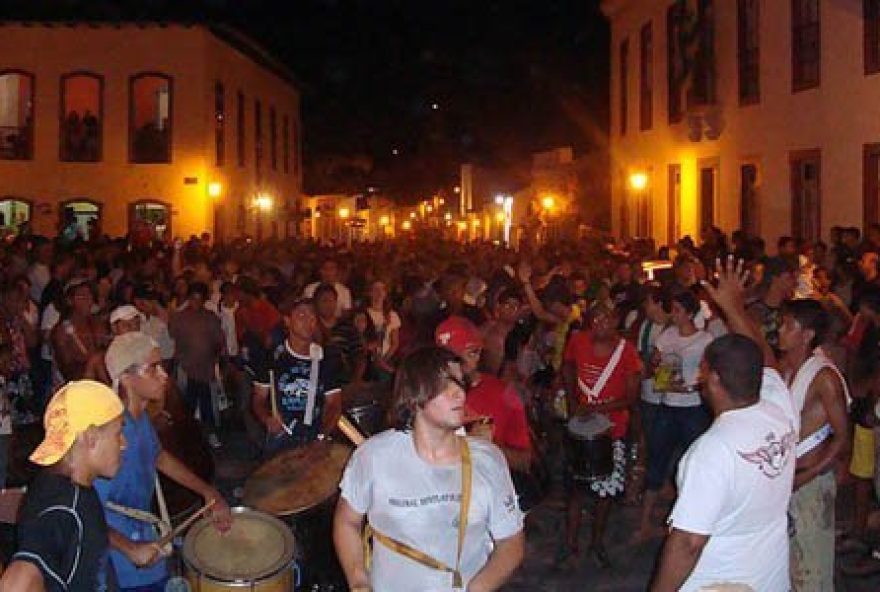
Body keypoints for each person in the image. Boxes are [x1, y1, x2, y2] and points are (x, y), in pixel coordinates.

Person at [333, 346, 524, 591]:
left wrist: (478, 588)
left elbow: (511, 542)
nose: (460, 394)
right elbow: (347, 521)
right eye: (446, 384)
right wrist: (358, 579)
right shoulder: (373, 458)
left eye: (460, 382)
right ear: (415, 396)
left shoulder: (488, 460)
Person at [650, 334, 797, 591]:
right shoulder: (780, 412)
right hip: (770, 578)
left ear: (716, 379)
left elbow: (689, 543)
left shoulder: (711, 452)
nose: (699, 377)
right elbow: (770, 369)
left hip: (720, 582)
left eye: (703, 370)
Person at [96, 331, 231, 591]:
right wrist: (130, 548)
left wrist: (208, 492)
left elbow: (158, 457)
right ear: (125, 377)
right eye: (153, 369)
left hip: (143, 532)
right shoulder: (113, 435)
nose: (164, 375)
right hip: (118, 555)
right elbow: (87, 511)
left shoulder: (139, 416)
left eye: (162, 366)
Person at [0, 380, 126, 590]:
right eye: (118, 433)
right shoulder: (63, 507)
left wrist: (130, 549)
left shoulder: (68, 487)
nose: (124, 444)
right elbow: (17, 581)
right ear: (91, 438)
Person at [561, 303, 641, 567]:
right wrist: (573, 401)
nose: (600, 323)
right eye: (595, 318)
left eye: (606, 318)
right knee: (575, 489)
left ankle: (596, 541)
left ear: (617, 320)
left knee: (604, 492)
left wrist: (594, 408)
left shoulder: (627, 352)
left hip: (612, 429)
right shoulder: (577, 340)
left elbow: (630, 397)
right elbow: (569, 366)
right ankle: (570, 544)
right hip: (581, 427)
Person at [779, 299, 850, 590]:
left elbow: (842, 436)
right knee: (793, 568)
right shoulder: (787, 369)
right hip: (791, 480)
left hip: (812, 483)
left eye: (787, 326)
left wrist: (810, 473)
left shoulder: (824, 377)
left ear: (807, 334)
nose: (780, 331)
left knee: (813, 572)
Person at [637, 290, 713, 541]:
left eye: (679, 310)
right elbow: (654, 363)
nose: (674, 315)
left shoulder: (704, 340)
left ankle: (691, 521)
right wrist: (659, 370)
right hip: (668, 404)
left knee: (695, 464)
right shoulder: (667, 335)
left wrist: (691, 385)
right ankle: (645, 522)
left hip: (692, 407)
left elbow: (708, 373)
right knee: (657, 460)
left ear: (691, 313)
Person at [434, 315, 532, 472]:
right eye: (446, 357)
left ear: (476, 353)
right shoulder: (428, 395)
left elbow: (524, 461)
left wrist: (489, 446)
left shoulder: (503, 393)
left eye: (461, 356)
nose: (452, 365)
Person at [250, 297, 344, 455]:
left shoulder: (326, 358)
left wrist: (322, 435)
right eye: (302, 316)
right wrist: (266, 418)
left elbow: (334, 404)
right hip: (281, 435)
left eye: (312, 317)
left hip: (315, 436)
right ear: (287, 321)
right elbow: (258, 399)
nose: (308, 322)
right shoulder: (271, 357)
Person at [168, 281, 225, 448]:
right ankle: (187, 438)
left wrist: (218, 360)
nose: (196, 303)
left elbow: (219, 341)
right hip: (186, 369)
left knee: (208, 405)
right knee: (186, 406)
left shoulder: (211, 317)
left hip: (206, 370)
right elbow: (173, 338)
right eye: (193, 299)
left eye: (200, 299)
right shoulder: (179, 317)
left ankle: (210, 434)